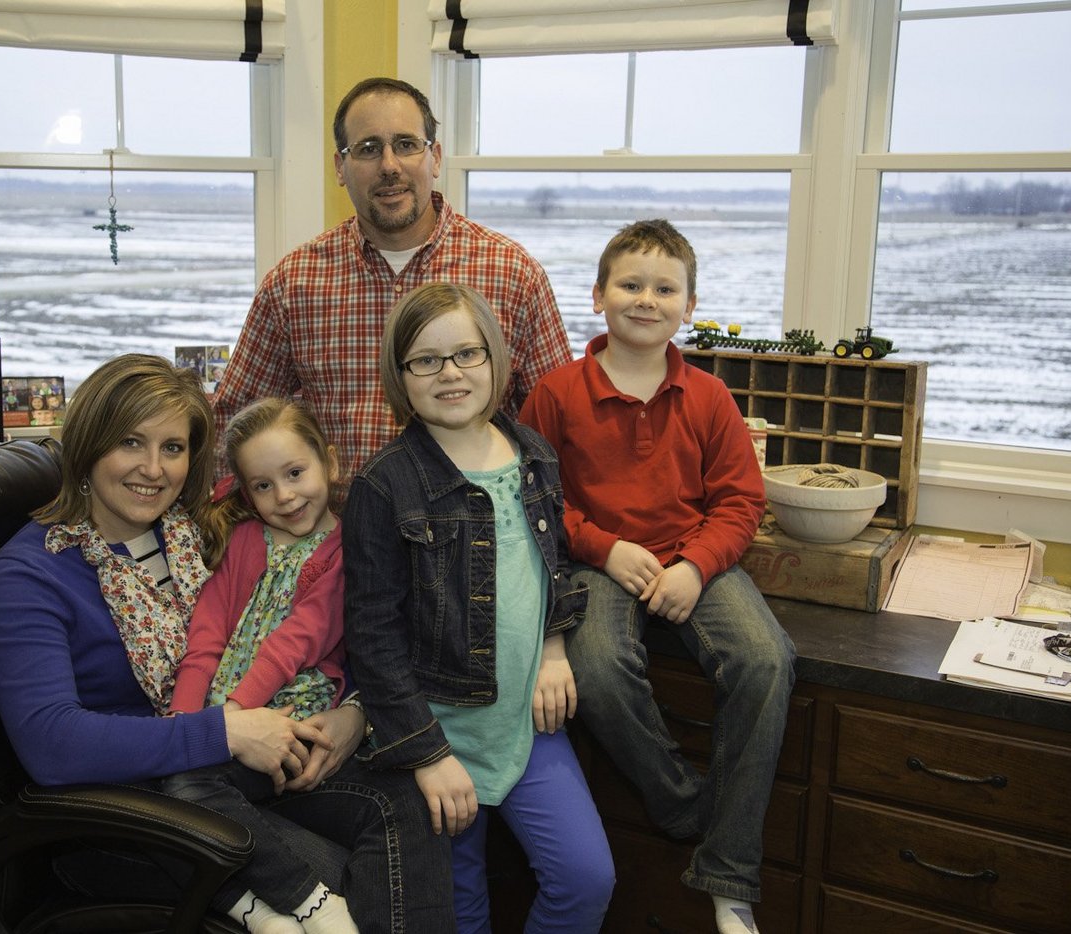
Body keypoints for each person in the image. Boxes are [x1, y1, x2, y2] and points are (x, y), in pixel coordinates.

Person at [0, 354, 455, 933]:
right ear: (86, 445)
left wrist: (354, 713)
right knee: (351, 883)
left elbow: (316, 623)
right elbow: (51, 745)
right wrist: (227, 730)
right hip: (137, 807)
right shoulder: (32, 573)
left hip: (242, 766)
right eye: (130, 443)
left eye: (173, 448)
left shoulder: (199, 531)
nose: (153, 470)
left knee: (412, 805)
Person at [519, 220, 796, 934]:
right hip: (599, 563)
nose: (647, 299)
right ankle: (684, 806)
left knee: (767, 659)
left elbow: (740, 501)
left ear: (690, 305)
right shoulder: (556, 394)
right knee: (599, 668)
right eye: (631, 284)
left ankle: (729, 876)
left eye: (665, 288)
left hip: (690, 554)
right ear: (598, 294)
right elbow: (536, 501)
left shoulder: (707, 397)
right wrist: (605, 548)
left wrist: (697, 567)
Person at [342, 282, 615, 933]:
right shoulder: (384, 485)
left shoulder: (535, 459)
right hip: (433, 733)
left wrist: (554, 647)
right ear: (400, 375)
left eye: (467, 353)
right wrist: (427, 755)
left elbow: (556, 568)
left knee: (585, 878)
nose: (450, 373)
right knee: (457, 906)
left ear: (495, 360)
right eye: (426, 360)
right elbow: (372, 637)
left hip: (524, 722)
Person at [213, 76, 572, 478]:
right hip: (337, 534)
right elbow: (235, 426)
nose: (389, 166)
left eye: (406, 145)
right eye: (368, 149)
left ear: (435, 157)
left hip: (480, 532)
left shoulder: (513, 274)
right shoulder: (294, 283)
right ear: (340, 167)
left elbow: (558, 424)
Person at [161, 397, 351, 933]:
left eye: (295, 473)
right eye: (263, 486)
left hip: (292, 719)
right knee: (170, 795)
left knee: (186, 792)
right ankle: (260, 913)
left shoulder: (344, 549)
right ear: (247, 493)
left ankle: (315, 905)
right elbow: (207, 638)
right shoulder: (246, 540)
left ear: (329, 463)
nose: (285, 496)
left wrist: (231, 719)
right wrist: (184, 719)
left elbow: (297, 641)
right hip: (230, 718)